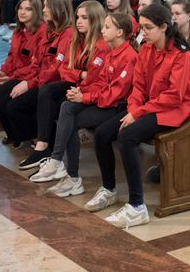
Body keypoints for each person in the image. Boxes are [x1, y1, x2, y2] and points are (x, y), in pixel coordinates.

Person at [99, 4, 190, 228]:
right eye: (141, 27)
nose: (142, 32)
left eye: (148, 27)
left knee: (126, 136)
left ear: (164, 27)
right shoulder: (146, 49)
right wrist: (134, 109)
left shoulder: (183, 55)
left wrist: (138, 112)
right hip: (151, 106)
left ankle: (137, 206)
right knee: (102, 133)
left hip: (177, 111)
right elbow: (138, 86)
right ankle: (108, 189)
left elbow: (174, 97)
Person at [28, 13, 137, 199]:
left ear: (119, 32)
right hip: (103, 101)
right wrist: (80, 92)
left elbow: (115, 94)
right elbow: (101, 83)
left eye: (107, 27)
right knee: (67, 107)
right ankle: (61, 166)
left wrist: (85, 97)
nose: (102, 30)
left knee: (70, 119)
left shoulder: (129, 57)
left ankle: (68, 172)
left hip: (117, 107)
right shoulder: (112, 53)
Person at [20, 0, 108, 169]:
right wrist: (80, 73)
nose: (79, 21)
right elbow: (64, 69)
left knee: (58, 103)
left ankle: (53, 156)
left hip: (90, 90)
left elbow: (94, 78)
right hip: (77, 84)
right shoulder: (78, 40)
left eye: (84, 18)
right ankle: (45, 147)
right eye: (77, 17)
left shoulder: (101, 45)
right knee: (47, 94)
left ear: (95, 20)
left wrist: (78, 77)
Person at [4, 0, 75, 154]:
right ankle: (36, 140)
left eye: (47, 6)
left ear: (58, 8)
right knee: (8, 102)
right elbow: (36, 62)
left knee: (15, 106)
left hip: (53, 83)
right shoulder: (50, 31)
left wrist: (30, 83)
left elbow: (55, 69)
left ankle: (45, 145)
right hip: (41, 80)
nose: (43, 10)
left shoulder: (68, 34)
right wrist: (12, 76)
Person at [0, 0, 45, 147]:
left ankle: (25, 134)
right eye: (20, 8)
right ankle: (14, 133)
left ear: (36, 12)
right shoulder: (18, 31)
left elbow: (36, 66)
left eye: (28, 9)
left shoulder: (42, 32)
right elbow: (12, 56)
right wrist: (2, 72)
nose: (22, 12)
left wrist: (10, 77)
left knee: (0, 101)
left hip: (29, 76)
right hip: (16, 74)